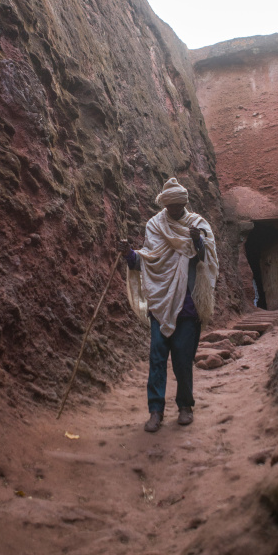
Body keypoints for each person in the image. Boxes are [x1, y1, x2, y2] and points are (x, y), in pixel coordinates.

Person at [118, 177, 218, 433]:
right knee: (157, 358)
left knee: (183, 360)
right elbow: (150, 259)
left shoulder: (198, 224)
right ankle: (155, 411)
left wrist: (198, 242)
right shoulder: (155, 225)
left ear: (184, 203)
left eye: (178, 206)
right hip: (160, 303)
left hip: (188, 305)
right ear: (165, 204)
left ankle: (185, 406)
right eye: (170, 206)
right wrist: (130, 254)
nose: (174, 210)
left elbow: (205, 260)